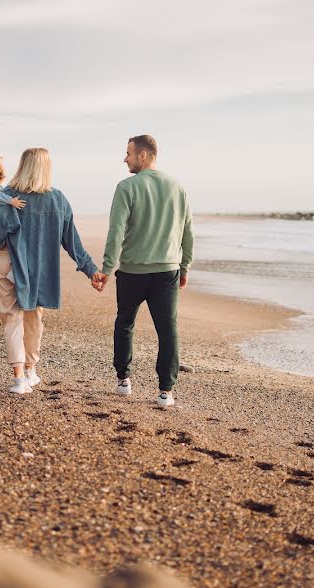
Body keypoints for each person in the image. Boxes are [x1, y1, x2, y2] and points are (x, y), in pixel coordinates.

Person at [92, 135, 194, 407]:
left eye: (128, 153)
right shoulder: (177, 187)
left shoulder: (126, 187)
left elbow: (116, 232)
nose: (125, 158)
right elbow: (188, 232)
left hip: (133, 271)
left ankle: (123, 380)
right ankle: (166, 392)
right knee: (167, 328)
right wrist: (185, 267)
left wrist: (106, 268)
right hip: (167, 271)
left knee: (125, 323)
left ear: (144, 156)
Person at [0, 148, 100, 394]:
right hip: (40, 269)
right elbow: (71, 241)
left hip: (9, 265)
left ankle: (19, 378)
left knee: (12, 318)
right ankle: (30, 370)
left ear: (23, 166)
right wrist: (90, 269)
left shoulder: (6, 196)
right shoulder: (58, 199)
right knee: (33, 318)